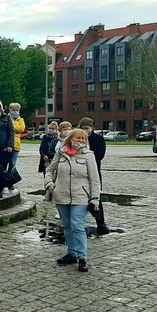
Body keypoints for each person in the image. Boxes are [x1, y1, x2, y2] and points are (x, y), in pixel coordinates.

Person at [45, 128, 101, 273]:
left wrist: (95, 199)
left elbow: (95, 180)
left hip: (80, 197)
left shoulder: (89, 156)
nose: (81, 141)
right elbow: (50, 170)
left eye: (83, 139)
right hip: (61, 195)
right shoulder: (61, 153)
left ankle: (82, 257)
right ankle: (72, 253)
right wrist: (49, 183)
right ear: (70, 139)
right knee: (67, 225)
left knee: (77, 225)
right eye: (78, 138)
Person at [78, 117, 110, 235]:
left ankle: (100, 221)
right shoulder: (77, 139)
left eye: (87, 128)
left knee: (96, 197)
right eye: (83, 128)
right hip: (79, 173)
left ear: (92, 128)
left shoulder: (98, 139)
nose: (85, 130)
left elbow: (100, 155)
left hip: (94, 171)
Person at [9, 103, 25, 168]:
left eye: (17, 110)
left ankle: (11, 176)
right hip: (7, 145)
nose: (15, 112)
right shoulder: (7, 118)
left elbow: (21, 129)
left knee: (13, 163)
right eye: (13, 110)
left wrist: (12, 126)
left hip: (16, 145)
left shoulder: (20, 120)